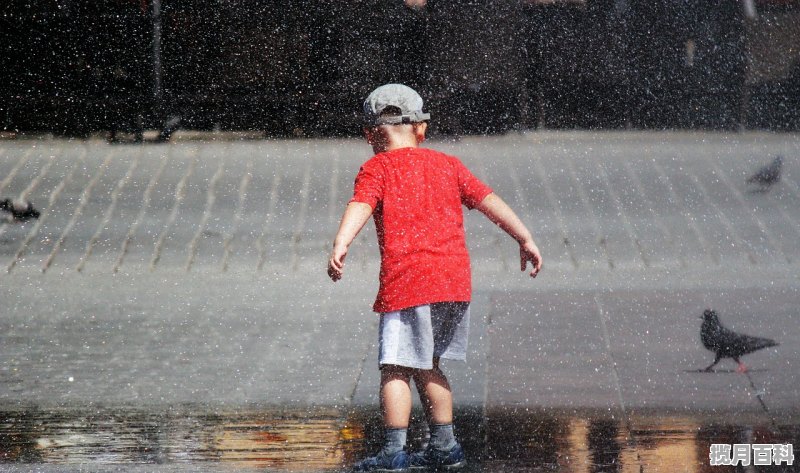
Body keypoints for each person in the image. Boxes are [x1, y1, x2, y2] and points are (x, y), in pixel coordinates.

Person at [328, 83, 542, 472]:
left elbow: (360, 204)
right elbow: (488, 200)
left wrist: (341, 242)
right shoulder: (448, 164)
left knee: (394, 367)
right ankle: (446, 446)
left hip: (408, 283)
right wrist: (524, 236)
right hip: (453, 284)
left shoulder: (377, 168)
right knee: (428, 363)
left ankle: (393, 452)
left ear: (371, 134)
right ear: (421, 129)